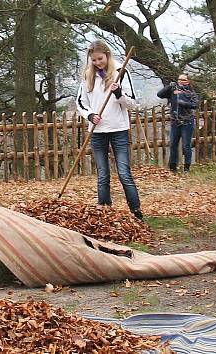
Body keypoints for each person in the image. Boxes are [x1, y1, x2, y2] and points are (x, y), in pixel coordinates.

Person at [76, 40, 143, 221]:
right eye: (94, 60)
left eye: (100, 59)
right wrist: (90, 116)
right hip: (97, 131)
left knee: (123, 172)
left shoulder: (121, 72)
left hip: (118, 129)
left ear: (107, 55)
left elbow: (133, 103)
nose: (97, 63)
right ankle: (104, 212)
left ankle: (136, 212)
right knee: (103, 174)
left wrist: (119, 93)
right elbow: (81, 102)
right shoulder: (87, 75)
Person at [157, 73, 199, 173]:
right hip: (175, 122)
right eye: (179, 79)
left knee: (186, 145)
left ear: (188, 81)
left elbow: (195, 104)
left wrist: (183, 103)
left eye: (183, 80)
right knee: (173, 144)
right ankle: (172, 167)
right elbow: (160, 94)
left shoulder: (191, 92)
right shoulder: (173, 90)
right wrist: (169, 87)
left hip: (187, 122)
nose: (181, 81)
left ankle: (187, 168)